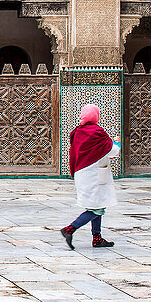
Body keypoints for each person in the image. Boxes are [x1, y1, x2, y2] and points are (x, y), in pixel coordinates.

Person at [60, 103, 120, 249]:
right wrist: (117, 142)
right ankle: (70, 229)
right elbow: (113, 151)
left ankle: (97, 238)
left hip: (81, 174)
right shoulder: (97, 132)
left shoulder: (77, 132)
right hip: (95, 176)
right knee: (96, 209)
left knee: (96, 205)